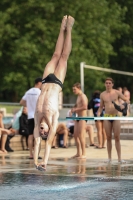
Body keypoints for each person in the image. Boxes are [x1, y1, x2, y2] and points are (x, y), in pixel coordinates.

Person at [33, 15, 75, 171]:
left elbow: (37, 142)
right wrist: (44, 162)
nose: (42, 131)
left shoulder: (37, 119)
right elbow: (48, 143)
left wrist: (34, 163)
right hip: (57, 82)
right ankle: (69, 29)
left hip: (45, 81)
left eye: (41, 132)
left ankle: (61, 27)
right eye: (45, 132)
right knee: (63, 57)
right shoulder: (53, 118)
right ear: (49, 130)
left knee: (55, 55)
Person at [97, 77, 129, 163]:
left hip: (115, 116)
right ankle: (109, 158)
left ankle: (119, 158)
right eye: (106, 83)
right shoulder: (102, 94)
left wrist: (123, 105)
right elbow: (101, 107)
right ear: (105, 84)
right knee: (108, 137)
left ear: (112, 84)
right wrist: (98, 114)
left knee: (117, 137)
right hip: (107, 116)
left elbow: (127, 100)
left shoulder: (116, 92)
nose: (108, 84)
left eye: (109, 83)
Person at [20, 77, 42, 159]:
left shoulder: (28, 92)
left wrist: (28, 105)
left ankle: (30, 154)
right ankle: (37, 154)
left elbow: (21, 102)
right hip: (37, 115)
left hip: (30, 116)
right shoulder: (39, 92)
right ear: (39, 83)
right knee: (38, 135)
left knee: (30, 135)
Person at [71, 82, 88, 159]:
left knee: (81, 135)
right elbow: (78, 105)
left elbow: (85, 107)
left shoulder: (83, 96)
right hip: (78, 117)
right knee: (75, 135)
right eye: (73, 89)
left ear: (79, 88)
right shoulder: (78, 96)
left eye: (75, 89)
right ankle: (78, 153)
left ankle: (83, 153)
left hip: (83, 118)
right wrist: (73, 108)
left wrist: (76, 109)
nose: (73, 91)